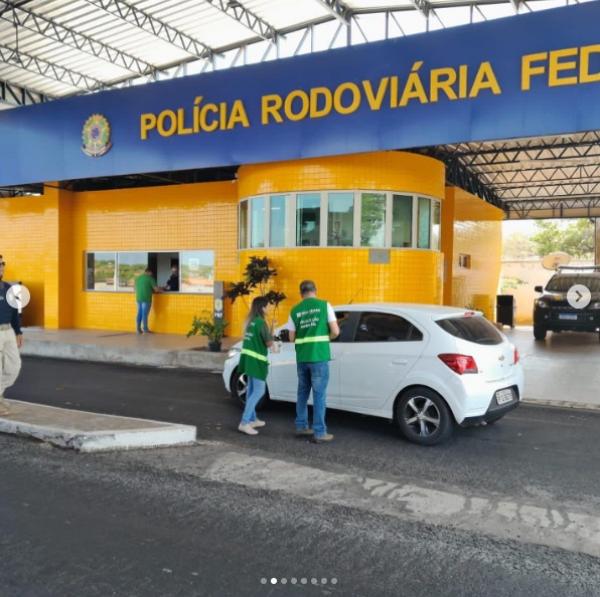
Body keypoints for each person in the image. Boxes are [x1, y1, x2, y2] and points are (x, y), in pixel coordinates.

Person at [288, 280, 339, 443]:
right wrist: (326, 339)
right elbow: (335, 331)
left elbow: (291, 337)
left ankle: (301, 426)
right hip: (319, 357)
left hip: (302, 357)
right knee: (319, 395)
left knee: (302, 392)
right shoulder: (325, 305)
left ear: (300, 293)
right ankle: (319, 432)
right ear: (315, 290)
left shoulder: (294, 310)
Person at [238, 296, 273, 436]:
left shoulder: (250, 322)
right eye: (268, 305)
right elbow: (269, 343)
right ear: (263, 307)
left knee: (251, 390)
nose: (269, 307)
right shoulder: (261, 323)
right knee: (259, 391)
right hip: (257, 361)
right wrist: (272, 333)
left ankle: (252, 419)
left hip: (248, 360)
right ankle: (244, 422)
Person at [0, 257, 24, 417]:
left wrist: (18, 331)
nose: (1, 267)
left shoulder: (9, 288)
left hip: (8, 331)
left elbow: (15, 312)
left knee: (14, 366)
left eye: (2, 264)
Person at [134, 268, 161, 334]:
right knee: (144, 314)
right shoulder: (150, 279)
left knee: (139, 313)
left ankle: (138, 329)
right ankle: (145, 330)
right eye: (151, 273)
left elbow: (135, 288)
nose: (151, 274)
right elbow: (156, 290)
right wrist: (162, 290)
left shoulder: (138, 278)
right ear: (149, 272)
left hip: (138, 298)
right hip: (146, 299)